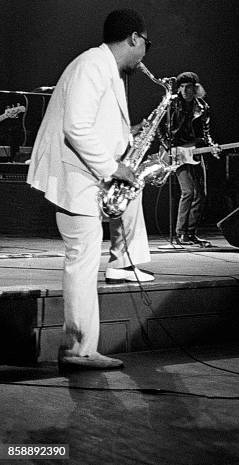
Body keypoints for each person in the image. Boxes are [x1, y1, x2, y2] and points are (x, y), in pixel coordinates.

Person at [26, 9, 155, 370]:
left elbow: (90, 125)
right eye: (147, 42)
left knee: (84, 262)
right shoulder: (93, 65)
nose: (146, 52)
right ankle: (77, 350)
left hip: (84, 182)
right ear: (134, 37)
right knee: (81, 264)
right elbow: (76, 127)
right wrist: (115, 168)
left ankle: (81, 349)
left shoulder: (101, 66)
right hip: (76, 181)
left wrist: (129, 138)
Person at [163, 71, 220, 247]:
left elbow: (206, 132)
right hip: (177, 151)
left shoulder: (202, 107)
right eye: (183, 87)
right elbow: (159, 128)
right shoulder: (172, 104)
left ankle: (190, 233)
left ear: (196, 89)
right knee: (188, 191)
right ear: (179, 88)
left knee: (201, 195)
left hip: (196, 152)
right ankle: (180, 233)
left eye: (190, 87)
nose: (186, 90)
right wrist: (169, 147)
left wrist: (212, 146)